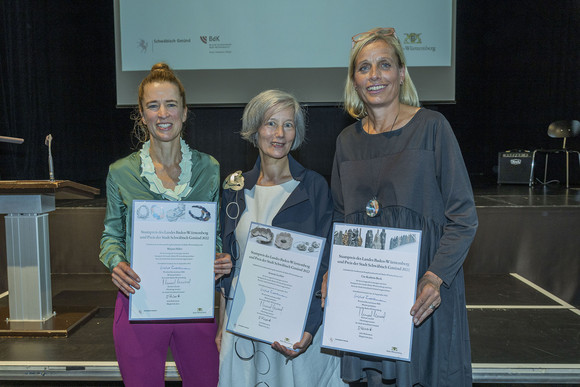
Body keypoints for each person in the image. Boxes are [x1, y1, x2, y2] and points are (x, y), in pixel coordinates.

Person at [327, 28, 478, 386]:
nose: (375, 75)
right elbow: (338, 216)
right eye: (364, 68)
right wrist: (334, 268)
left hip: (421, 298)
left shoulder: (432, 128)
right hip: (369, 297)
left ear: (401, 73)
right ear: (354, 80)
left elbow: (463, 217)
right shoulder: (346, 141)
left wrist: (434, 277)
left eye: (384, 65)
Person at [99, 63, 232, 387]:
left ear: (184, 112)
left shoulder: (208, 169)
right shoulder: (121, 172)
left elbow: (214, 235)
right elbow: (111, 236)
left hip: (194, 303)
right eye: (153, 105)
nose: (163, 113)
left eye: (171, 104)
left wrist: (219, 258)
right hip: (140, 300)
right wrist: (116, 263)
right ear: (142, 115)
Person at [216, 89, 344, 386]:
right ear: (254, 129)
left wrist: (311, 326)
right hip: (244, 324)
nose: (280, 133)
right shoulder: (234, 188)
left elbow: (325, 265)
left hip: (297, 327)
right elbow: (229, 264)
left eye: (288, 124)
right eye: (271, 123)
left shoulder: (314, 188)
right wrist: (222, 324)